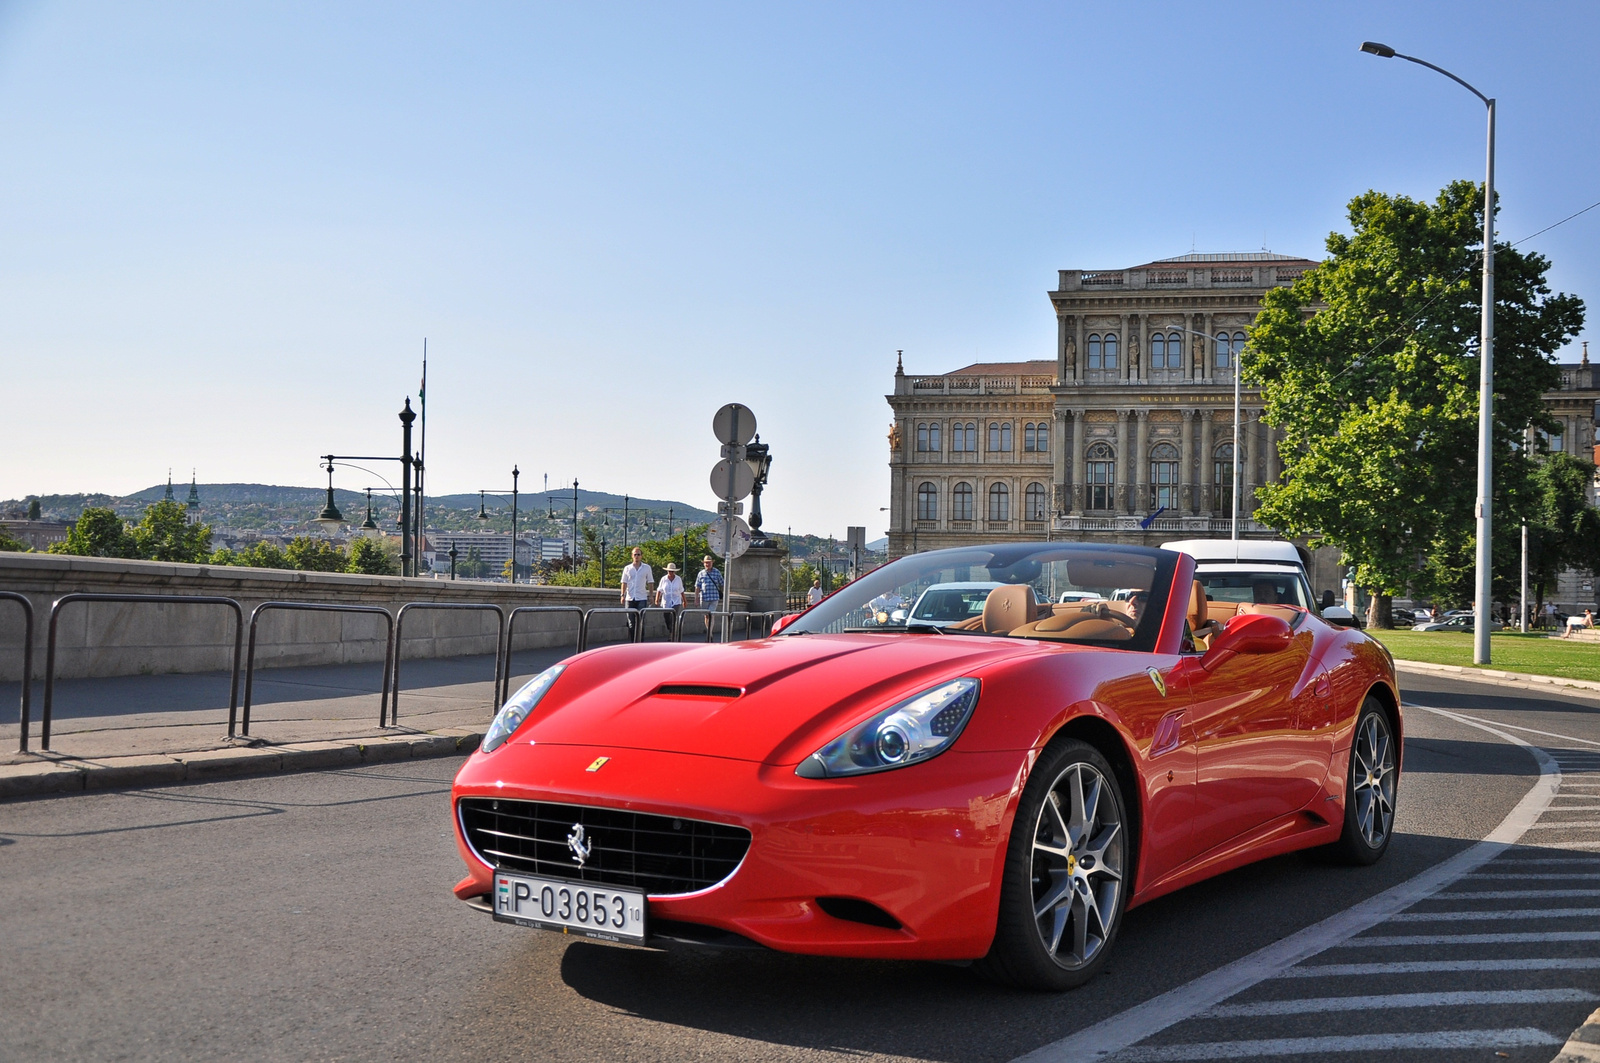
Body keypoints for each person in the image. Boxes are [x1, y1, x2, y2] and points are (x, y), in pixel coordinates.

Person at [619, 547, 652, 637]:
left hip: (641, 597)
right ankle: (633, 641)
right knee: (631, 622)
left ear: (641, 556)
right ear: (632, 556)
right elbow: (624, 582)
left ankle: (641, 642)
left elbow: (650, 582)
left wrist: (651, 595)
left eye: (638, 554)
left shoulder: (647, 568)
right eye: (635, 555)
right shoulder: (627, 568)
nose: (636, 556)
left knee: (640, 621)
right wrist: (622, 595)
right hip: (629, 598)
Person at [696, 555, 723, 640]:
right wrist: (696, 598)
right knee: (706, 616)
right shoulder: (701, 573)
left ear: (712, 563)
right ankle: (710, 632)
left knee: (711, 614)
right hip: (704, 597)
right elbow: (697, 586)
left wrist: (723, 593)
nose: (707, 564)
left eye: (709, 562)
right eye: (706, 563)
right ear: (704, 564)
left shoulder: (716, 572)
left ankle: (709, 634)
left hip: (714, 597)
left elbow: (722, 583)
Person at [656, 562, 685, 635]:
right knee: (667, 618)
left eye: (672, 571)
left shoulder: (678, 579)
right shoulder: (664, 579)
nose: (671, 573)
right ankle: (671, 630)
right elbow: (659, 590)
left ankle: (671, 634)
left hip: (676, 601)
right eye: (669, 571)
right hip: (666, 601)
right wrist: (657, 600)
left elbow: (681, 590)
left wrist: (684, 600)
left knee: (673, 617)